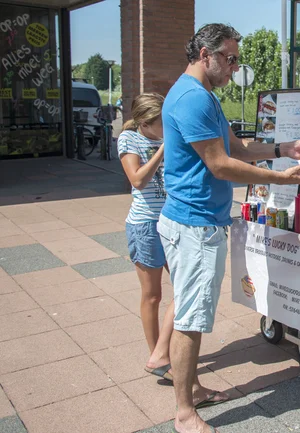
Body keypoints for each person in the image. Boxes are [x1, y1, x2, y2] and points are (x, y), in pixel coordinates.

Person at [158, 23, 300, 433]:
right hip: (193, 227)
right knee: (191, 320)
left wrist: (284, 149)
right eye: (229, 59)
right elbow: (221, 164)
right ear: (204, 54)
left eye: (236, 60)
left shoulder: (204, 96)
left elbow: (241, 149)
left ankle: (191, 388)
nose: (234, 68)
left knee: (188, 310)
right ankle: (183, 414)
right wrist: (282, 178)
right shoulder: (193, 99)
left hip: (197, 223)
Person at [117, 93, 174, 382]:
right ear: (143, 122)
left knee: (186, 288)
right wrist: (163, 150)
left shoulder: (167, 135)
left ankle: (164, 350)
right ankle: (158, 358)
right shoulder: (129, 139)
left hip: (174, 222)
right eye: (160, 122)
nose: (166, 125)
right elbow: (138, 180)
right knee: (153, 296)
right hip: (146, 226)